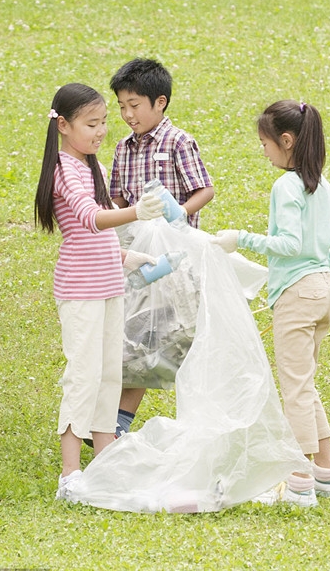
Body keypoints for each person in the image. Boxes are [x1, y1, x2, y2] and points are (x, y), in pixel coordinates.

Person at [212, 99, 330, 507]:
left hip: (299, 294)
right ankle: (326, 471)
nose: (263, 150)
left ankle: (297, 480)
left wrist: (241, 239)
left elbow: (289, 244)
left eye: (265, 143)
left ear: (286, 141)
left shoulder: (286, 186)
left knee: (294, 389)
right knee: (304, 383)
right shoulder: (322, 186)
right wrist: (318, 276)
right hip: (323, 290)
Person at [33, 83, 165, 500]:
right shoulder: (65, 170)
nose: (101, 130)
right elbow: (90, 220)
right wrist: (136, 212)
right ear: (64, 126)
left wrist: (129, 258)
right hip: (81, 290)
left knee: (110, 372)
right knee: (83, 376)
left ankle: (106, 456)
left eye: (104, 121)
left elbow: (101, 234)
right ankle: (69, 472)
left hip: (108, 285)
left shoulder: (91, 166)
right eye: (92, 124)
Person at [108, 58, 214, 436]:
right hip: (139, 257)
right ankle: (116, 422)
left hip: (176, 259)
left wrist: (179, 216)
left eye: (134, 105)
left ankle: (200, 420)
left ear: (160, 102)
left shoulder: (178, 142)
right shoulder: (123, 148)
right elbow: (118, 197)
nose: (127, 114)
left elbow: (205, 188)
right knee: (137, 337)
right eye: (121, 106)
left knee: (175, 336)